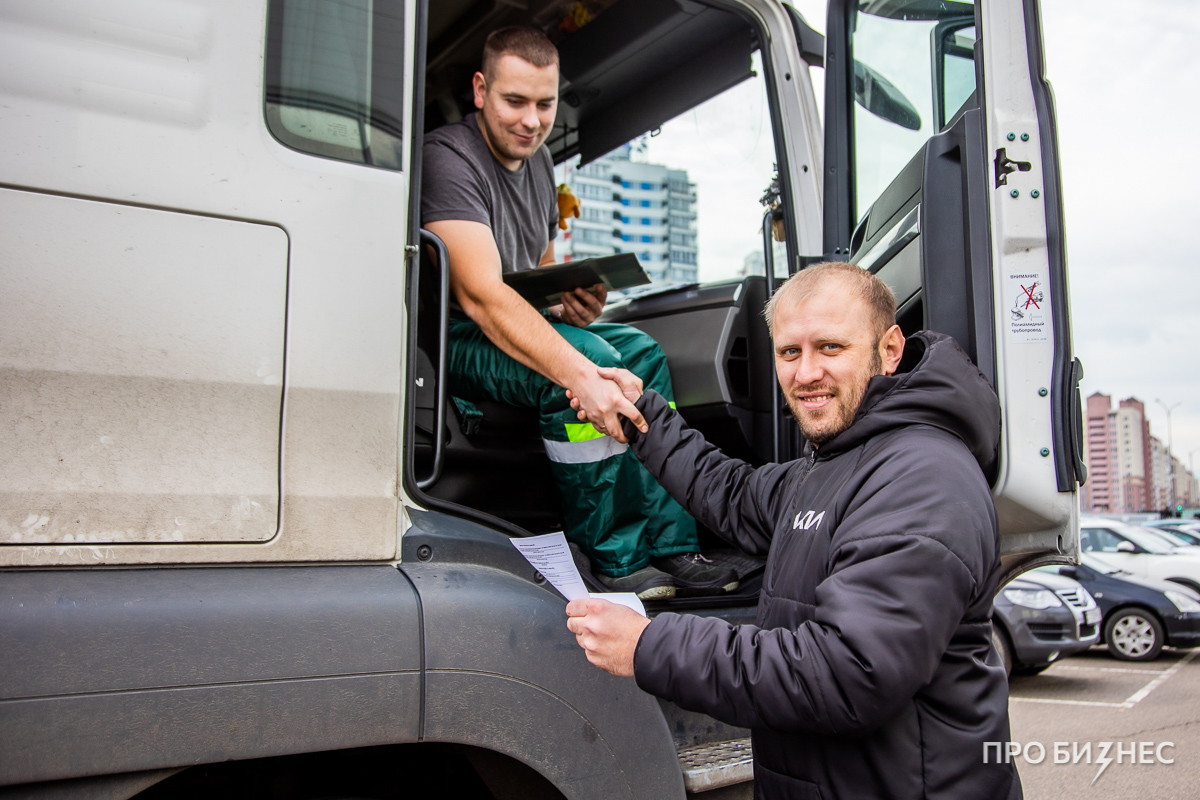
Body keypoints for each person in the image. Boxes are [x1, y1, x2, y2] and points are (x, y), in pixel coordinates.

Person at [565, 262, 1022, 799]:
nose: (806, 374)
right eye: (789, 352)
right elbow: (731, 492)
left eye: (830, 348)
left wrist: (649, 646)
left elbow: (849, 675)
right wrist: (641, 416)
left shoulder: (923, 478)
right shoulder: (832, 465)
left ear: (890, 349)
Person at [420, 26, 736, 599]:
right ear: (479, 90)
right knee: (592, 361)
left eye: (544, 104)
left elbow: (536, 281)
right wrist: (578, 368)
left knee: (641, 352)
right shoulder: (447, 158)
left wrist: (572, 304)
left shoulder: (540, 166)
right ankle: (613, 557)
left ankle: (673, 543)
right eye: (514, 101)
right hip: (457, 338)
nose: (532, 121)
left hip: (511, 324)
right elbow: (482, 297)